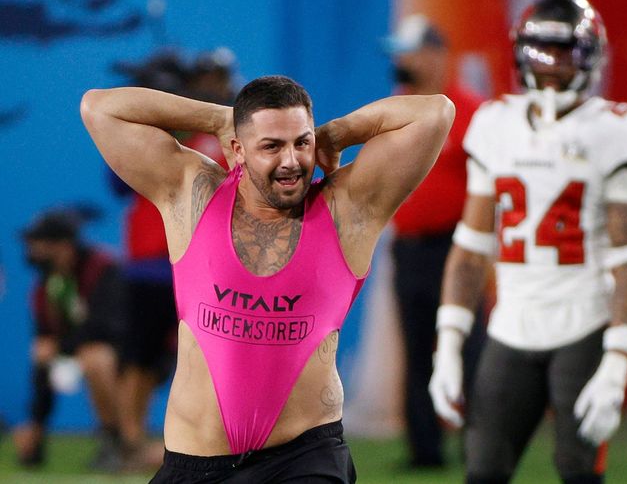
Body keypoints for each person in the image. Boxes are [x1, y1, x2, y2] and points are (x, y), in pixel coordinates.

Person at [81, 75, 455, 482]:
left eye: (301, 143)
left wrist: (336, 134)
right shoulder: (191, 193)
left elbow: (435, 112)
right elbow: (100, 108)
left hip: (303, 459)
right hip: (195, 464)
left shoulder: (348, 208)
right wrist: (218, 118)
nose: (291, 160)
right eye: (272, 146)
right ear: (238, 150)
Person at [429, 0, 627, 484]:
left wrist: (618, 359)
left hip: (585, 324)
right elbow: (471, 248)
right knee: (483, 470)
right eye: (542, 50)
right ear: (521, 53)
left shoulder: (620, 129)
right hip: (511, 327)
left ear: (591, 55)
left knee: (578, 472)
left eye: (565, 52)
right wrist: (447, 344)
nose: (552, 64)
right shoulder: (495, 123)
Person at [108, 48, 239, 471]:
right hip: (150, 262)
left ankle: (215, 442)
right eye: (201, 77)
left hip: (203, 263)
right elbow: (116, 180)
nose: (209, 85)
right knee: (139, 358)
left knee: (207, 356)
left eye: (215, 77)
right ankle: (128, 443)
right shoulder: (161, 135)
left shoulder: (232, 133)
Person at [381, 14, 485, 467]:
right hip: (409, 250)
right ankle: (425, 453)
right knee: (416, 347)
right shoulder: (394, 112)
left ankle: (482, 446)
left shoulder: (470, 110)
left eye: (410, 51)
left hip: (457, 250)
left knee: (472, 348)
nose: (402, 61)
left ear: (436, 55)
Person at [14, 208, 127, 469]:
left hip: (130, 360)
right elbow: (44, 354)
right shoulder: (45, 287)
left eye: (39, 244)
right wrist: (37, 425)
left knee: (94, 356)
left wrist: (60, 346)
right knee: (46, 351)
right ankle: (35, 438)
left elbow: (107, 327)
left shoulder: (104, 269)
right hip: (79, 354)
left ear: (64, 246)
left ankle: (115, 440)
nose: (33, 252)